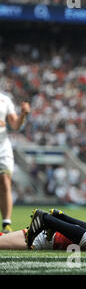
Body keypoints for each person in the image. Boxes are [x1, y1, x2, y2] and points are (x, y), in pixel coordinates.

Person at [0, 92, 30, 233]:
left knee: (5, 181)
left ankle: (6, 223)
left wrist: (23, 114)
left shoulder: (5, 99)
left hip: (2, 147)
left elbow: (15, 124)